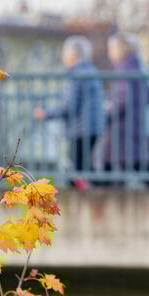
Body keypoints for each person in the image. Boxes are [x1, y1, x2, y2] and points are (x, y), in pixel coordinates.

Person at [33, 35, 104, 189]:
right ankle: (103, 189)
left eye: (65, 52)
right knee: (83, 167)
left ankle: (101, 193)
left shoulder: (75, 74)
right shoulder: (91, 71)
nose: (63, 56)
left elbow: (69, 106)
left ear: (73, 55)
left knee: (76, 169)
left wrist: (45, 113)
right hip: (93, 127)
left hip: (81, 129)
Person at [98, 32, 149, 187]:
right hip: (134, 123)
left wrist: (107, 111)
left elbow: (123, 99)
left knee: (111, 161)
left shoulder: (125, 68)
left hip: (123, 126)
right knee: (134, 162)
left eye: (111, 49)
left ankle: (105, 197)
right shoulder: (138, 66)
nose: (109, 53)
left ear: (120, 49)